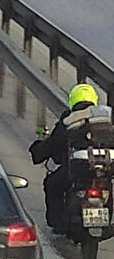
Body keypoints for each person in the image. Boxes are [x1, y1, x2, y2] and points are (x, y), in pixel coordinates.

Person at [30, 82, 100, 232]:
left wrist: (37, 151)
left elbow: (53, 143)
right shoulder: (106, 116)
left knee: (52, 184)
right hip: (105, 167)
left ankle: (57, 224)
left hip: (76, 169)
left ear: (73, 100)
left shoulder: (70, 120)